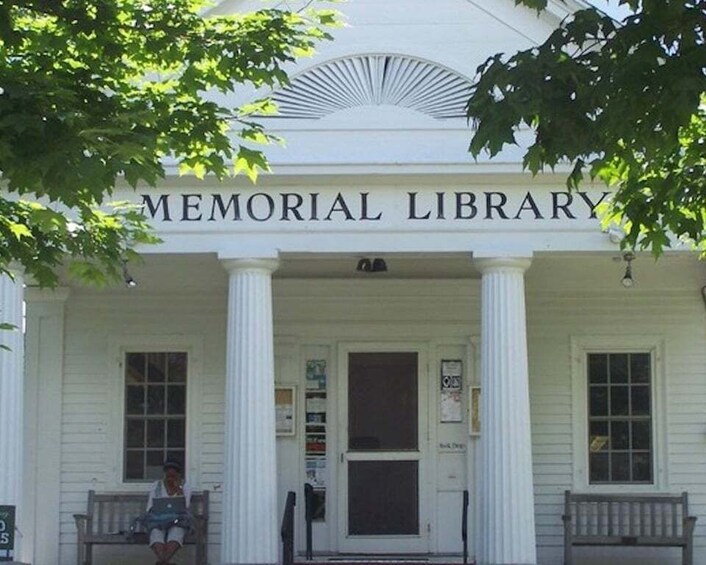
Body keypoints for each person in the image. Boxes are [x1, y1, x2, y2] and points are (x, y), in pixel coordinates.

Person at [146, 458, 192, 565]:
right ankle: (165, 562)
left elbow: (185, 506)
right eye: (168, 473)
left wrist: (177, 489)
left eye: (173, 474)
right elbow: (149, 507)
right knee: (156, 533)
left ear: (179, 473)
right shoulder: (156, 485)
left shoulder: (185, 486)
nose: (170, 476)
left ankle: (162, 561)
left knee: (176, 533)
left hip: (177, 519)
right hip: (158, 519)